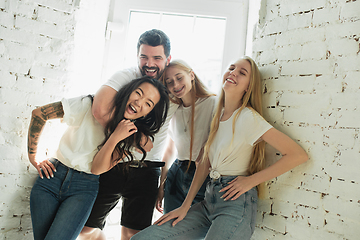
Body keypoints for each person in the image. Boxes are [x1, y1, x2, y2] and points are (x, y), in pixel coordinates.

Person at [131, 56, 309, 240]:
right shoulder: (219, 115)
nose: (233, 73)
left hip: (235, 204)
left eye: (242, 72)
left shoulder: (248, 117)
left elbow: (297, 155)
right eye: (231, 68)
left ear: (248, 86)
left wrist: (250, 181)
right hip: (209, 200)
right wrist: (185, 206)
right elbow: (205, 162)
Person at [28, 76, 169, 240]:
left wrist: (115, 137)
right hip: (50, 177)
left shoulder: (131, 136)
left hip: (84, 187)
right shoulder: (88, 105)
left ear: (149, 113)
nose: (139, 102)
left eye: (148, 103)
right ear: (128, 91)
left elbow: (97, 168)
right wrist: (34, 157)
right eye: (138, 93)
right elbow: (39, 114)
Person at [78, 29, 177, 240]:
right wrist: (135, 138)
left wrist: (163, 180)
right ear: (137, 56)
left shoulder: (175, 85)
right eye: (144, 57)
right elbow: (99, 111)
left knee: (133, 234)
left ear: (168, 59)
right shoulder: (127, 76)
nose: (149, 63)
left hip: (148, 170)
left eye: (157, 58)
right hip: (115, 161)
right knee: (86, 229)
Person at [155, 60, 216, 214]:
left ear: (191, 75)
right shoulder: (174, 110)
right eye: (169, 82)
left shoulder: (213, 103)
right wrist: (161, 185)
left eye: (179, 78)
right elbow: (169, 150)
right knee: (170, 229)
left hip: (202, 174)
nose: (175, 85)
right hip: (176, 174)